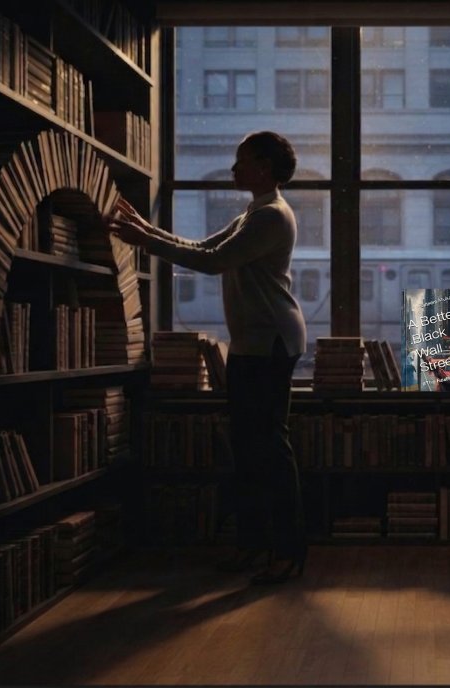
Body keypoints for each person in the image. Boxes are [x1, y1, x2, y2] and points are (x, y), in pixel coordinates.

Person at [109, 131, 308, 585]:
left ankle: (288, 549)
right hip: (252, 344)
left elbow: (212, 262)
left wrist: (145, 239)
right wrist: (147, 230)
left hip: (269, 343)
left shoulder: (271, 217)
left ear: (263, 166)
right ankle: (256, 545)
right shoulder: (253, 212)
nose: (233, 169)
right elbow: (202, 248)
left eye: (241, 162)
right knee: (248, 450)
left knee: (269, 450)